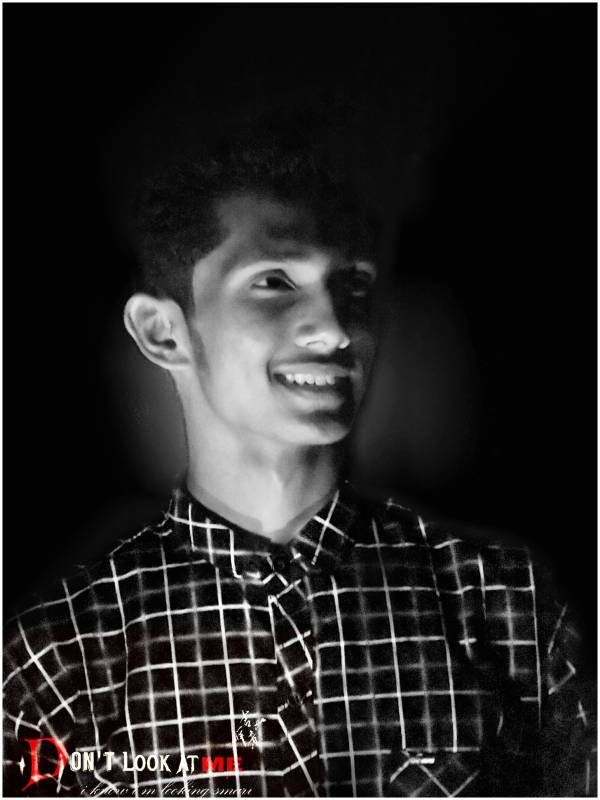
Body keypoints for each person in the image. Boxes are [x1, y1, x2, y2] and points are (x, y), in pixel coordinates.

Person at [3, 145, 595, 798]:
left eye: (353, 285)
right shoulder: (59, 660)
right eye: (275, 282)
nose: (334, 329)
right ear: (163, 332)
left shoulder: (505, 605)